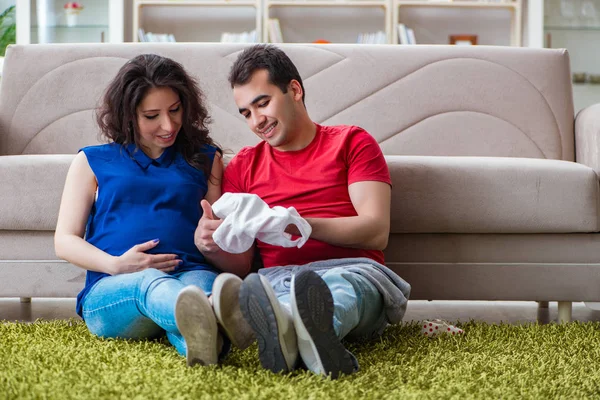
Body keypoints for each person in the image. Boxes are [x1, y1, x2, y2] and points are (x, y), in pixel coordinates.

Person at [195, 44, 410, 379]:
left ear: (294, 89)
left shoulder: (352, 142)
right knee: (261, 288)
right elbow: (239, 262)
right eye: (246, 113)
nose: (257, 121)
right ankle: (293, 337)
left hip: (355, 272)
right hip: (277, 281)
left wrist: (298, 224)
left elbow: (375, 231)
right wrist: (212, 243)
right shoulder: (244, 167)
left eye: (262, 103)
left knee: (334, 290)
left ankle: (293, 330)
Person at [54, 54, 253, 368]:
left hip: (191, 273)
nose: (168, 124)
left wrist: (213, 238)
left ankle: (203, 344)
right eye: (151, 115)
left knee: (200, 289)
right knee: (152, 285)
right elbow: (64, 240)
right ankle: (215, 314)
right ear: (128, 115)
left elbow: (216, 231)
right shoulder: (92, 160)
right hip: (117, 289)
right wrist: (117, 265)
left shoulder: (205, 158)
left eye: (175, 110)